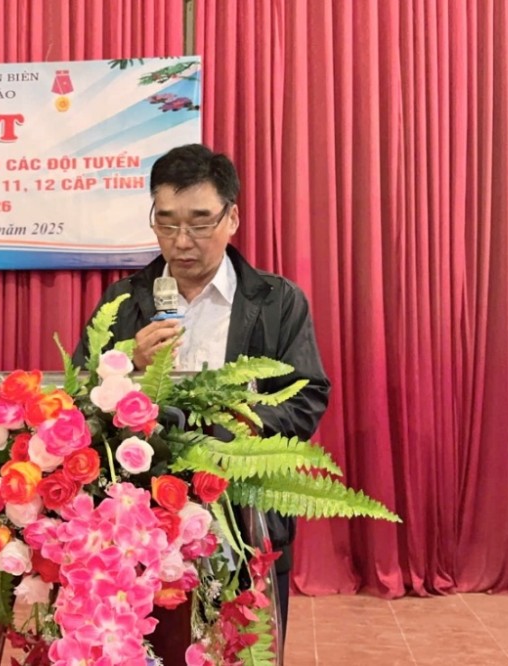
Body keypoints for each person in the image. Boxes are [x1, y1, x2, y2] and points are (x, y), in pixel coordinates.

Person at [72, 143, 332, 648]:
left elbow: (306, 399)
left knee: (241, 648)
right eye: (166, 223)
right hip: (138, 526)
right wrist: (128, 362)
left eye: (199, 223)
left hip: (242, 516)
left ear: (232, 217)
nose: (181, 241)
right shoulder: (124, 300)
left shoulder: (277, 302)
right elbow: (80, 396)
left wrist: (226, 434)